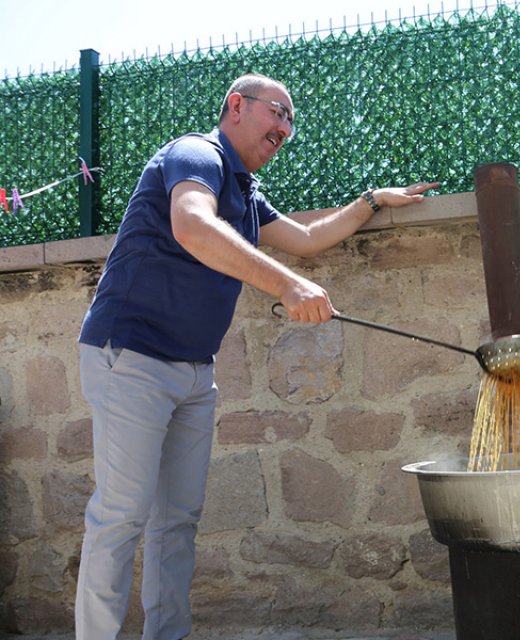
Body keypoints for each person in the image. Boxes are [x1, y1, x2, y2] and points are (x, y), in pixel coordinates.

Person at [74, 73, 438, 639]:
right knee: (120, 517)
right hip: (131, 357)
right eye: (278, 114)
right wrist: (288, 287)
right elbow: (192, 225)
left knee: (176, 523)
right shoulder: (196, 154)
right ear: (237, 106)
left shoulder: (244, 191)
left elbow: (307, 236)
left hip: (195, 371)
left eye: (292, 121)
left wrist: (371, 201)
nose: (285, 130)